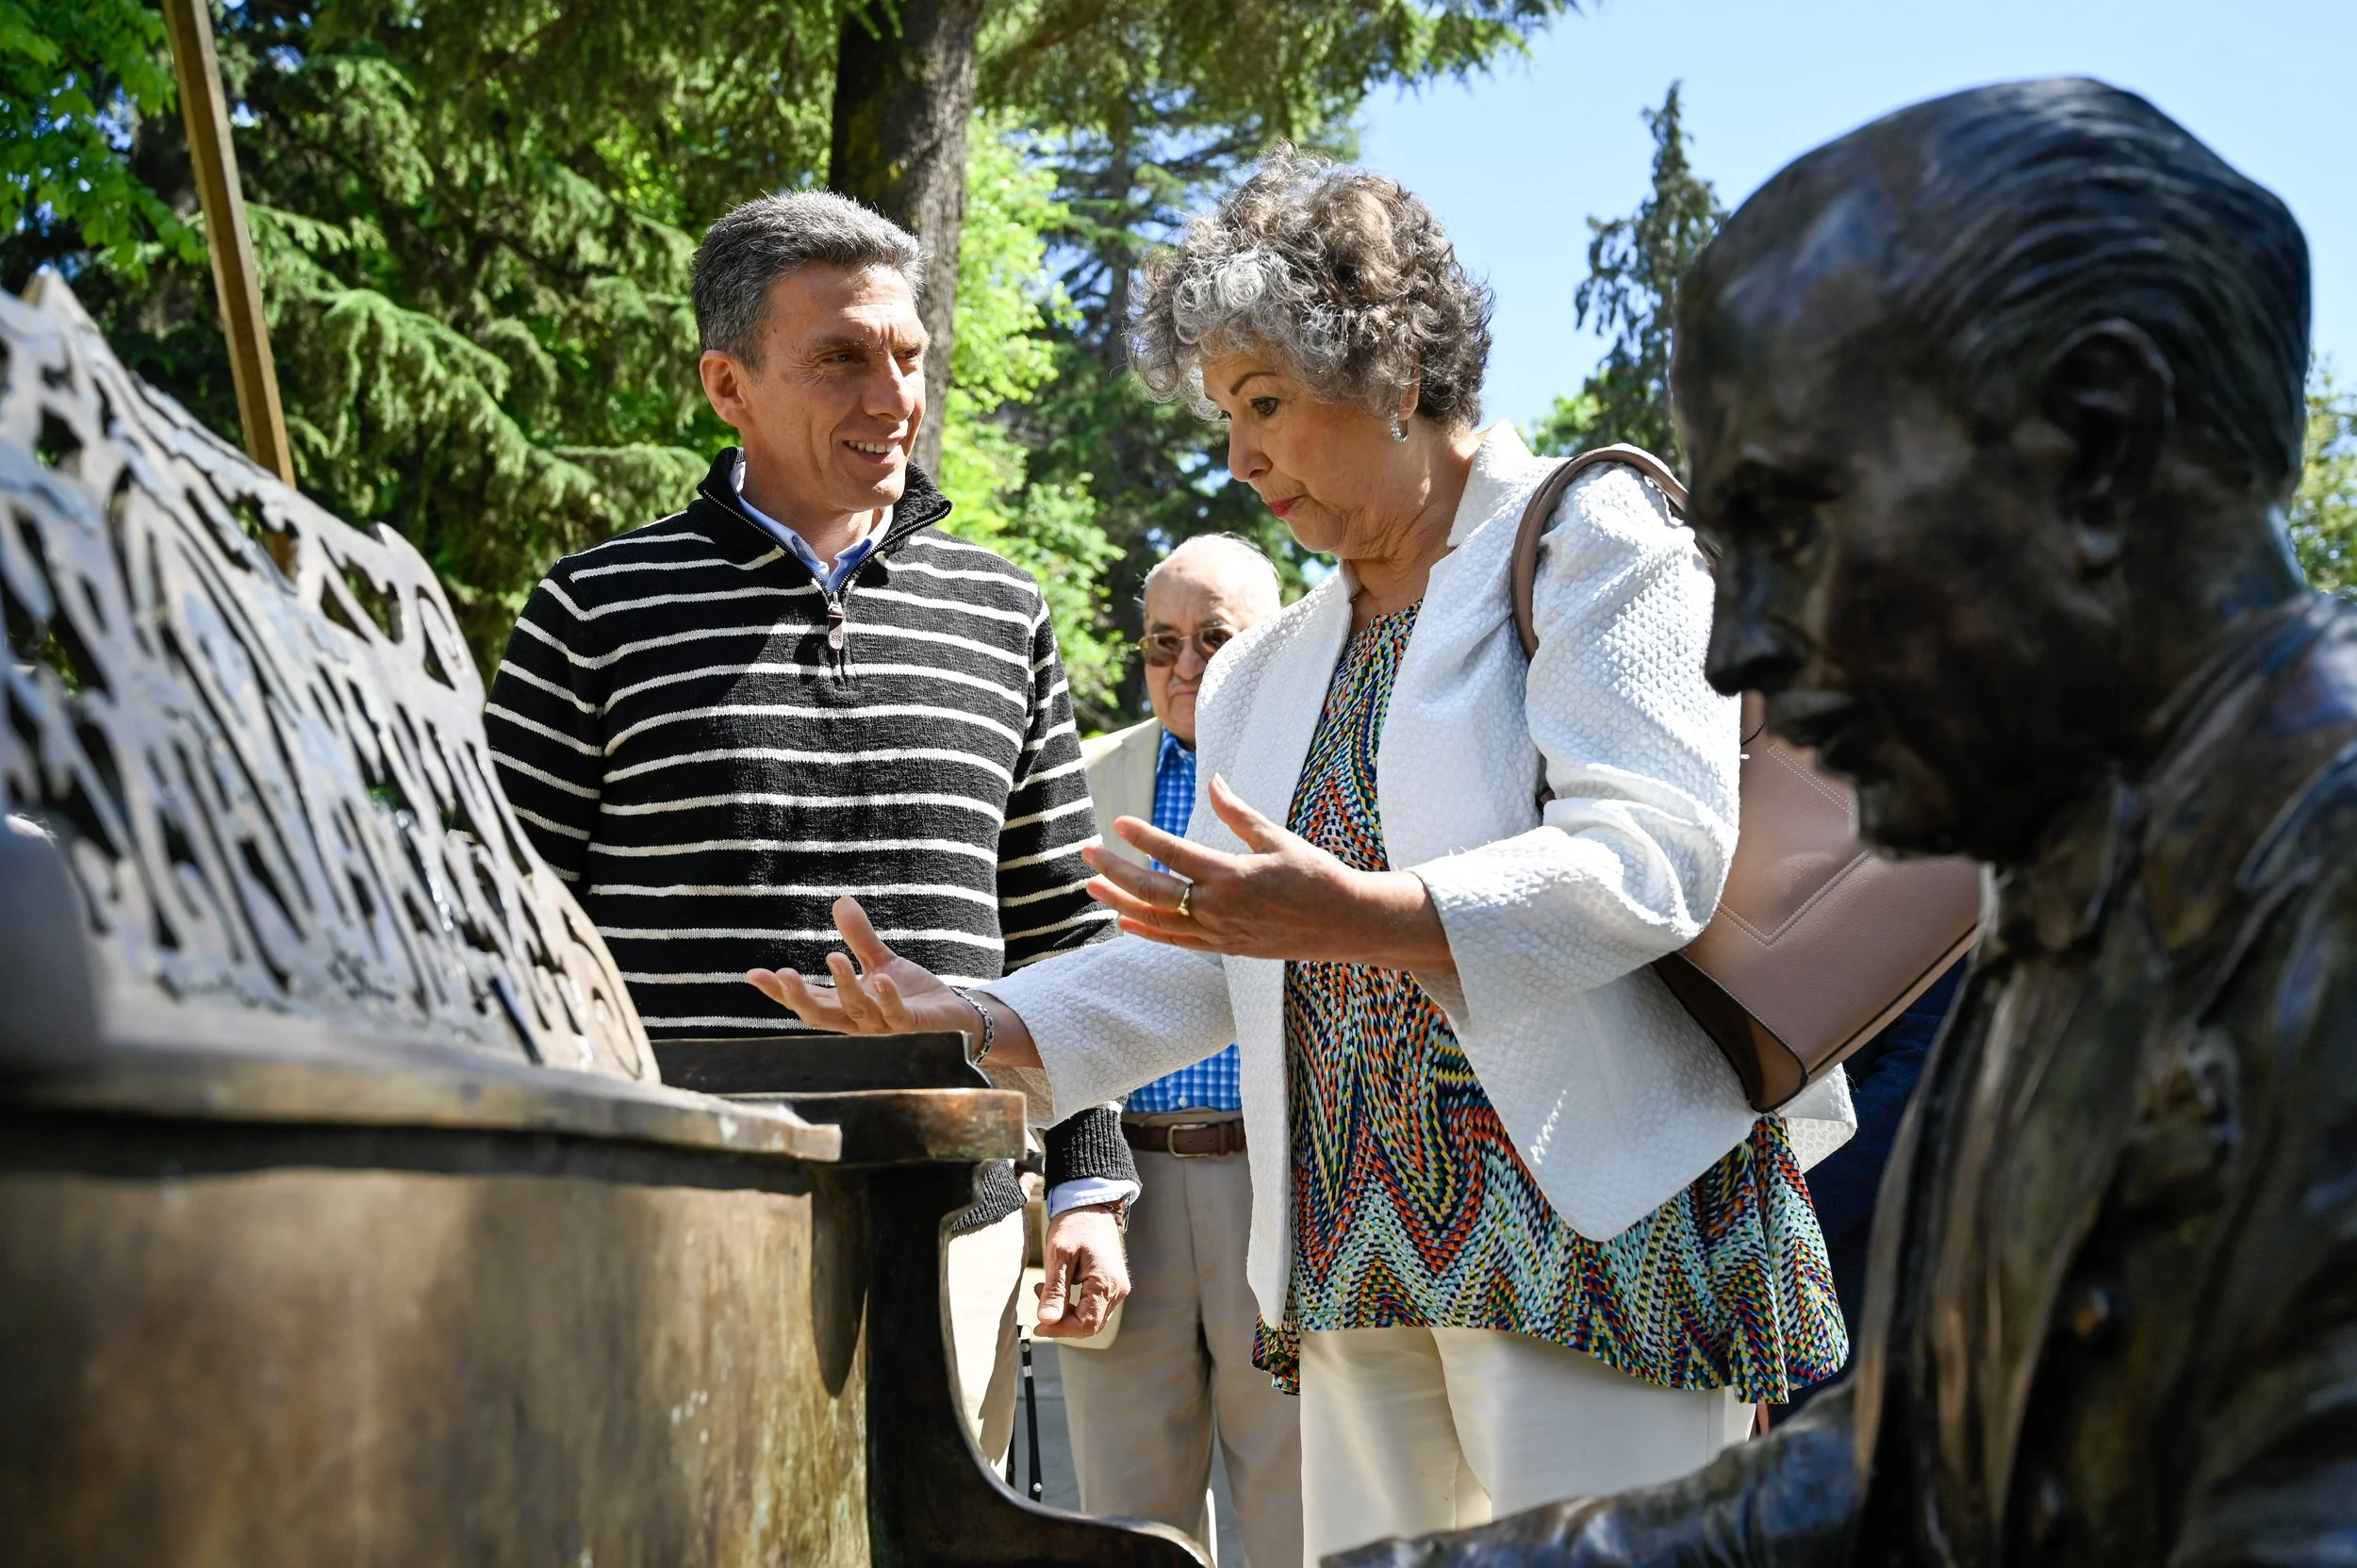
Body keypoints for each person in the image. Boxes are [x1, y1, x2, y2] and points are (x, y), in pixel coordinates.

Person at [749, 151, 1854, 1564]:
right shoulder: (1272, 666)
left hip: (1593, 1246)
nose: (1240, 456)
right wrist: (982, 1017)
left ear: (1390, 367)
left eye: (1263, 402)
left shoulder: (1596, 538)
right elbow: (1209, 954)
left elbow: (1656, 853)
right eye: (1225, 415)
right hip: (1355, 1261)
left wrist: (1366, 912)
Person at [1330, 78, 2357, 1568]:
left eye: (1795, 528)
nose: (1739, 650)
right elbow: (1912, 1469)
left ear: (2098, 435)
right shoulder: (2088, 888)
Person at [482, 190, 1138, 1470]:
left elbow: (1064, 922)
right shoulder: (592, 610)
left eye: (907, 353)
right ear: (728, 385)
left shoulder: (1006, 612)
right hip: (666, 1209)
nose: (893, 394)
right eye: (840, 357)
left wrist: (1091, 1181)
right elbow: (503, 920)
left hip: (962, 1216)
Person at [1066, 534, 1297, 1566]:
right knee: (1123, 1519)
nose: (1185, 667)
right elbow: (1051, 975)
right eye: (1163, 642)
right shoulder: (1081, 779)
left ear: (1277, 644)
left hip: (1278, 1178)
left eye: (1216, 638)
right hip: (1121, 1188)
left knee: (1299, 1507)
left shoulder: (1315, 771)